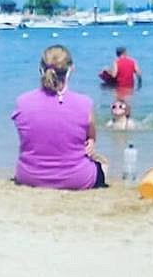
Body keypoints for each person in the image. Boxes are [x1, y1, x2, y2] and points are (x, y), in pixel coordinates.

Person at [12, 45, 108, 190]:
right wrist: (90, 142)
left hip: (28, 176)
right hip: (77, 178)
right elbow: (90, 138)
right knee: (103, 163)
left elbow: (29, 137)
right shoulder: (85, 103)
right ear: (70, 69)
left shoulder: (22, 102)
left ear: (40, 70)